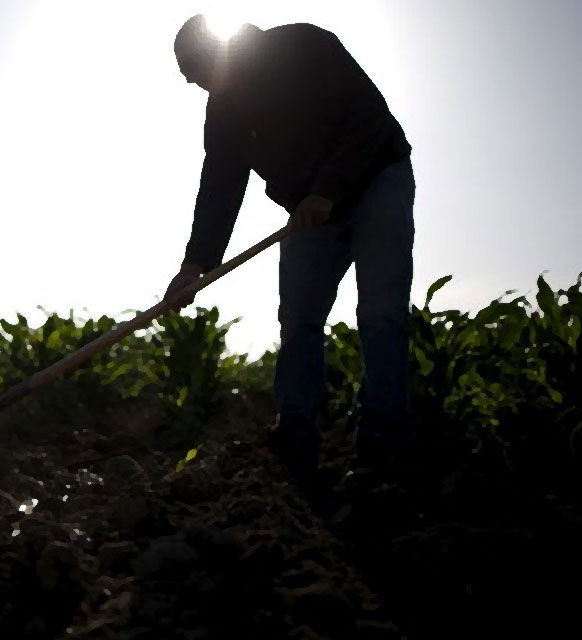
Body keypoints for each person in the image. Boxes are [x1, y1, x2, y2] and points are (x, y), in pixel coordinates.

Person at [162, 14, 417, 485]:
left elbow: (366, 115)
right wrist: (195, 263)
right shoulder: (223, 109)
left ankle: (383, 439)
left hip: (377, 177)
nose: (199, 87)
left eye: (198, 74)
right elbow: (220, 185)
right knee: (298, 318)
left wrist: (328, 189)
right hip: (309, 210)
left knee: (381, 310)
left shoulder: (304, 46)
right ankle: (296, 435)